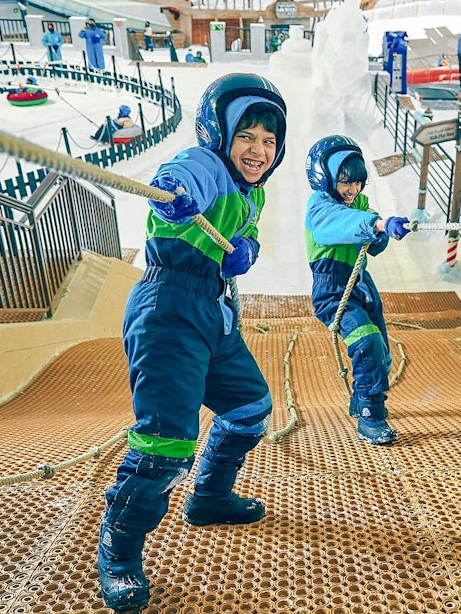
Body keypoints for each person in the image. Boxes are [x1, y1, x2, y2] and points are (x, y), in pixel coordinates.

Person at [96, 73, 287, 612]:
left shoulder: (254, 190)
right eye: (246, 135)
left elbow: (244, 230)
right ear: (220, 132)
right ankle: (119, 550)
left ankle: (208, 497)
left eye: (269, 141)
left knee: (250, 408)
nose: (258, 150)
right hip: (169, 311)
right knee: (165, 444)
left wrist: (244, 249)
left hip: (213, 310)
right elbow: (177, 180)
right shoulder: (205, 165)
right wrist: (174, 198)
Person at [303, 135, 411, 446]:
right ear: (325, 178)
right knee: (367, 343)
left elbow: (370, 242)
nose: (353, 190)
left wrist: (383, 232)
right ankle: (370, 414)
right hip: (333, 289)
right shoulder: (319, 206)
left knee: (382, 353)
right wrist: (375, 224)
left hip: (361, 285)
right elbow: (337, 224)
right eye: (345, 182)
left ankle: (363, 393)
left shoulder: (359, 203)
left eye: (358, 183)